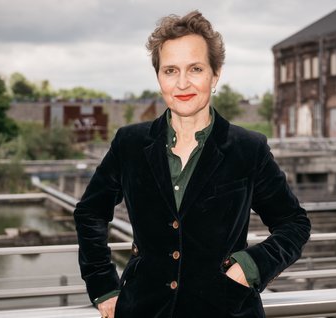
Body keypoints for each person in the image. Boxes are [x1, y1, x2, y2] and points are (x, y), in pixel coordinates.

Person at [74, 10, 311, 318]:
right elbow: (90, 212)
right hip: (143, 309)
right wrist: (103, 287)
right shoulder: (129, 143)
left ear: (215, 74)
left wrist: (250, 267)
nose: (182, 83)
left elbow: (294, 224)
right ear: (159, 77)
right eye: (170, 71)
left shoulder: (247, 148)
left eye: (195, 69)